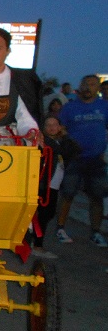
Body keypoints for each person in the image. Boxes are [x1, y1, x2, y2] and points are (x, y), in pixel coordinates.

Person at [54, 74, 108, 247]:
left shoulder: (104, 106)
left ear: (97, 88)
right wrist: (68, 142)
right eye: (85, 84)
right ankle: (60, 228)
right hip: (75, 159)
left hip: (96, 159)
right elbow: (60, 128)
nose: (87, 87)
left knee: (97, 197)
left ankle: (95, 232)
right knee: (68, 194)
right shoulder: (70, 107)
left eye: (92, 84)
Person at [31, 115, 80, 259]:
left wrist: (65, 136)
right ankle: (37, 245)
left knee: (48, 214)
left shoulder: (61, 141)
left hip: (54, 184)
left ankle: (34, 242)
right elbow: (57, 150)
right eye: (48, 125)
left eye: (55, 125)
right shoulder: (45, 142)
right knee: (44, 214)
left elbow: (75, 150)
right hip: (44, 185)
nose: (52, 128)